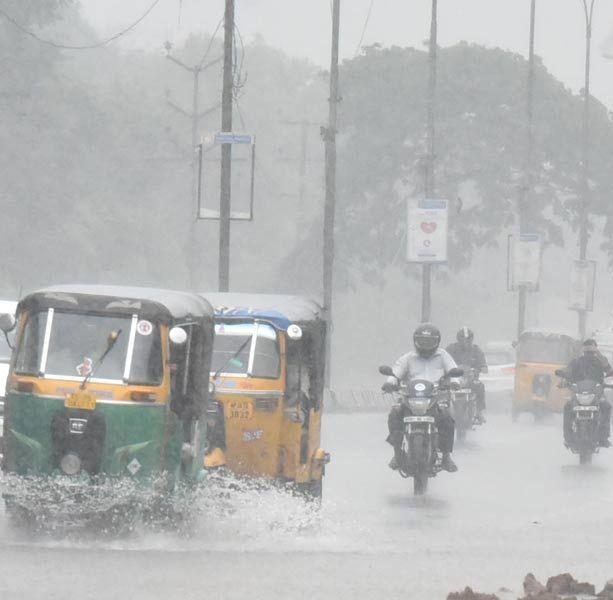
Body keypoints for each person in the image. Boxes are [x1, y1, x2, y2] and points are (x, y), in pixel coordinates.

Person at [384, 323, 459, 473]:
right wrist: (390, 383)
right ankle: (397, 454)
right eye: (422, 342)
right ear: (415, 341)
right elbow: (396, 372)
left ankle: (445, 457)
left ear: (437, 342)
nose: (425, 346)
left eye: (429, 342)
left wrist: (455, 382)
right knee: (394, 415)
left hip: (435, 398)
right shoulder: (408, 358)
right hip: (409, 398)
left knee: (447, 419)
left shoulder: (443, 355)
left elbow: (452, 369)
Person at [563, 338, 613, 447]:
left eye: (591, 350)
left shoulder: (597, 360)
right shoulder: (578, 361)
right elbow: (567, 372)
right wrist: (564, 380)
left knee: (606, 406)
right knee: (568, 407)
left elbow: (609, 370)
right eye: (588, 350)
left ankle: (602, 437)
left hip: (596, 393)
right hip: (579, 393)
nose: (589, 353)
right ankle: (602, 437)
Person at [446, 326, 488, 424]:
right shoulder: (451, 349)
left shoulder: (476, 350)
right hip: (453, 380)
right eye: (462, 340)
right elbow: (443, 360)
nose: (465, 342)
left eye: (468, 340)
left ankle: (478, 412)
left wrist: (481, 368)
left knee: (480, 386)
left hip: (470, 380)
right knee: (442, 390)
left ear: (471, 340)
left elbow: (484, 366)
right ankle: (443, 412)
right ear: (458, 339)